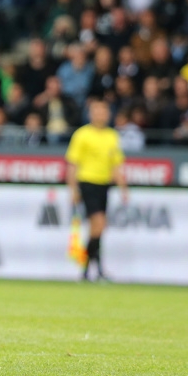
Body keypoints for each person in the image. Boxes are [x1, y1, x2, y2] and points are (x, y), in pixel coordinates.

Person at [65, 99, 129, 282]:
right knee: (99, 224)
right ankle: (91, 268)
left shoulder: (112, 136)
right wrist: (73, 188)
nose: (100, 115)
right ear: (91, 114)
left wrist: (123, 187)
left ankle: (91, 271)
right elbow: (72, 164)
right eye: (97, 111)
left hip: (104, 185)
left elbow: (116, 164)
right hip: (87, 182)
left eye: (103, 111)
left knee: (97, 228)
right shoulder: (82, 135)